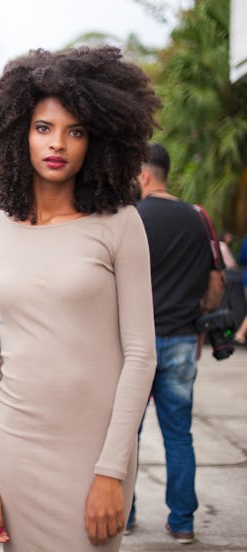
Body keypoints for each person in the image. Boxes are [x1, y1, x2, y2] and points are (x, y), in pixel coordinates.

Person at [0, 46, 159, 551]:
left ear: (98, 141)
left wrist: (111, 471)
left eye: (76, 131)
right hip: (15, 452)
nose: (58, 144)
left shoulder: (120, 225)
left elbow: (140, 355)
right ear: (17, 133)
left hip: (94, 452)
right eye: (44, 127)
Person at [127, 143, 225, 544]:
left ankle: (125, 514)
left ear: (144, 175)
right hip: (184, 338)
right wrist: (198, 314)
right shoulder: (198, 217)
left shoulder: (129, 219)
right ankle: (182, 522)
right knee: (179, 433)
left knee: (126, 433)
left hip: (135, 343)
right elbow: (216, 281)